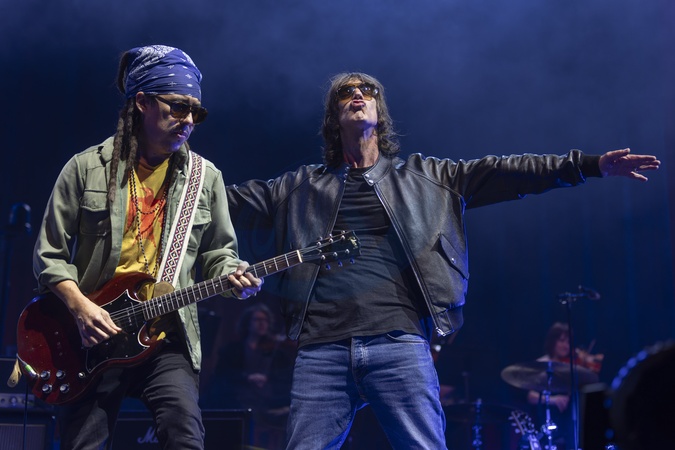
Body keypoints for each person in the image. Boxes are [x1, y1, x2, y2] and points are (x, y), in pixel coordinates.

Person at [225, 72, 660, 449]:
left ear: (380, 112)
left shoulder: (428, 177)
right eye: (346, 92)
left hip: (398, 342)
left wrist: (589, 166)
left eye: (367, 90)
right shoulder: (299, 187)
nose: (357, 94)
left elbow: (509, 171)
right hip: (322, 348)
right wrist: (181, 163)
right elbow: (221, 201)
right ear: (332, 117)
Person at [31, 45, 263, 450]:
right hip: (94, 337)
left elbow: (218, 254)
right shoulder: (86, 168)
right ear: (142, 102)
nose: (188, 120)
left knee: (186, 436)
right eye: (178, 107)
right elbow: (49, 255)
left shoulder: (205, 178)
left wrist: (233, 275)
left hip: (165, 335)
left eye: (196, 112)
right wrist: (81, 308)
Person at [210, 303, 295, 449]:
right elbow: (222, 375)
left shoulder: (277, 352)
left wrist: (268, 378)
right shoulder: (232, 350)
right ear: (248, 323)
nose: (262, 323)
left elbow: (287, 377)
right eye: (257, 319)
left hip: (269, 401)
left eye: (265, 320)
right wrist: (246, 377)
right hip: (240, 400)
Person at [526, 322, 604, 448]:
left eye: (568, 342)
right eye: (562, 341)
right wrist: (554, 400)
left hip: (572, 420)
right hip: (550, 419)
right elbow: (531, 396)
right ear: (552, 341)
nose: (566, 346)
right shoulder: (542, 364)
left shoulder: (571, 365)